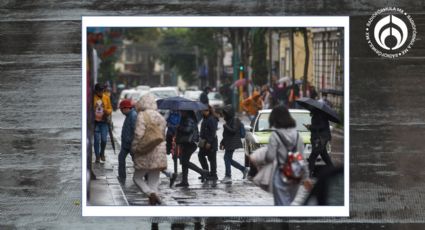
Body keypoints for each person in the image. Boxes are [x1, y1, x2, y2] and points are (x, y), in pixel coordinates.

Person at [250, 105, 310, 205]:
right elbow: (302, 159)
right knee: (287, 203)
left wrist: (259, 158)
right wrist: (306, 178)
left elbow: (270, 157)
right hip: (295, 176)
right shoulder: (297, 136)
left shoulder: (275, 135)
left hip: (280, 175)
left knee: (281, 206)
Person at [131, 93, 167, 205]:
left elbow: (138, 134)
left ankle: (150, 194)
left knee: (137, 178)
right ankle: (155, 205)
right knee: (154, 181)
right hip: (159, 151)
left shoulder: (142, 115)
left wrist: (134, 148)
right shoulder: (160, 116)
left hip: (146, 150)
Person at [175, 110, 209, 187]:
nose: (181, 112)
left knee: (184, 162)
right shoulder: (185, 118)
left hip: (190, 143)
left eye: (183, 112)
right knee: (184, 162)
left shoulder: (189, 119)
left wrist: (179, 127)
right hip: (186, 142)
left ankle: (202, 172)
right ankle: (184, 181)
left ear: (187, 112)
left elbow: (187, 130)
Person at [220, 105, 249, 183]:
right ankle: (243, 169)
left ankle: (228, 176)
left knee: (227, 158)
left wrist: (225, 126)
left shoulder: (235, 120)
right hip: (228, 142)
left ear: (229, 113)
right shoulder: (228, 120)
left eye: (225, 114)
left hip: (232, 142)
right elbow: (226, 134)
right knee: (229, 159)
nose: (224, 115)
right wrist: (222, 142)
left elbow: (233, 131)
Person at [305, 107, 334, 176]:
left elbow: (320, 127)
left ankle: (308, 174)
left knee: (312, 157)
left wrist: (310, 127)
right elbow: (319, 127)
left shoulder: (319, 116)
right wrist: (311, 127)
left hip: (320, 139)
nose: (310, 111)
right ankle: (333, 171)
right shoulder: (318, 115)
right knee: (325, 156)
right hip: (320, 139)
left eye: (311, 110)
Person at [117, 99, 137, 184]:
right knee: (121, 158)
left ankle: (145, 176)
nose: (121, 111)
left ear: (126, 108)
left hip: (131, 144)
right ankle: (122, 177)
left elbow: (136, 131)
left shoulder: (133, 116)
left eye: (121, 109)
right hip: (126, 144)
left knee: (137, 162)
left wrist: (134, 143)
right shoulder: (129, 115)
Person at [198, 105, 219, 181]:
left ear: (208, 111)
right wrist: (200, 137)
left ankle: (214, 175)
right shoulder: (205, 119)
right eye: (202, 111)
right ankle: (206, 172)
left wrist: (209, 142)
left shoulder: (212, 119)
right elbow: (203, 130)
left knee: (212, 159)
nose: (203, 112)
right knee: (201, 156)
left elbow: (213, 132)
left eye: (204, 111)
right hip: (204, 142)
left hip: (211, 143)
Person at [93, 83, 112, 163]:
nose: (101, 92)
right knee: (96, 140)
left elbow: (110, 109)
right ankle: (97, 156)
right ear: (96, 91)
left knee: (104, 140)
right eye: (99, 90)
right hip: (95, 122)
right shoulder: (92, 98)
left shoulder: (106, 97)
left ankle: (102, 153)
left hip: (104, 122)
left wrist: (106, 110)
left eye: (102, 90)